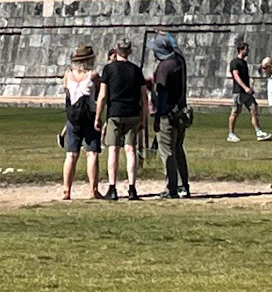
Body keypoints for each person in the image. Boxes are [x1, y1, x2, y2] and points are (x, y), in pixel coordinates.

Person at [96, 37, 148, 201]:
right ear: (130, 51)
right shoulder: (136, 70)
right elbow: (144, 98)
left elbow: (102, 95)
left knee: (113, 149)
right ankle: (132, 188)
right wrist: (143, 119)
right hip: (133, 113)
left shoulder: (109, 69)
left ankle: (112, 187)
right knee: (130, 150)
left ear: (116, 50)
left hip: (115, 113)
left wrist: (98, 116)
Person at [149, 33, 192, 199]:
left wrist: (157, 117)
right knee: (178, 149)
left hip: (167, 114)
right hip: (180, 112)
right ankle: (183, 185)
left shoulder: (164, 67)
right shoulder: (179, 62)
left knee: (167, 151)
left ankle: (171, 188)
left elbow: (162, 95)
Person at [59, 43, 103, 201]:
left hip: (73, 118)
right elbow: (100, 93)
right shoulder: (93, 75)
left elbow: (67, 93)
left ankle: (67, 190)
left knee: (71, 155)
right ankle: (93, 190)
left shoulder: (67, 75)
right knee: (92, 153)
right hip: (90, 117)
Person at [226, 40, 268, 142]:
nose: (248, 51)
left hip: (246, 93)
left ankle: (258, 132)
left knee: (254, 110)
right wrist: (245, 87)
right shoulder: (235, 62)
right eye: (246, 49)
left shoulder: (244, 63)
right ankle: (231, 134)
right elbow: (236, 76)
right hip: (238, 92)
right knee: (235, 112)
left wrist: (249, 87)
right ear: (241, 50)